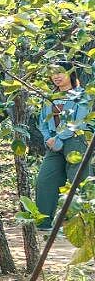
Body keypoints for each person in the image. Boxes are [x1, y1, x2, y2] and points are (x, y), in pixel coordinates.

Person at [36, 61, 91, 230]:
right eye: (53, 73)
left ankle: (86, 223)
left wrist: (58, 137)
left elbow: (80, 121)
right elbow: (42, 123)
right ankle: (44, 222)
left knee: (79, 181)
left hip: (75, 141)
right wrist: (48, 138)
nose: (56, 76)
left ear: (70, 73)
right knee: (45, 180)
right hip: (53, 144)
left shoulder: (81, 95)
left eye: (60, 72)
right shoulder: (49, 97)